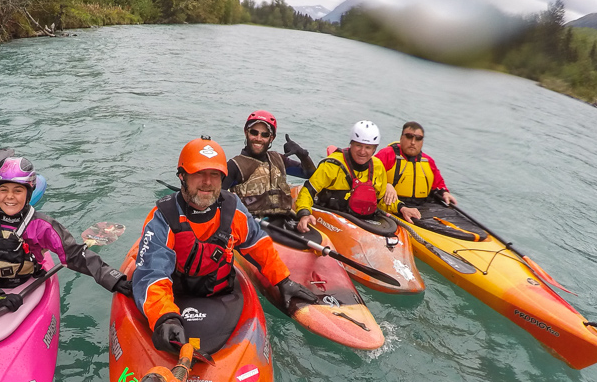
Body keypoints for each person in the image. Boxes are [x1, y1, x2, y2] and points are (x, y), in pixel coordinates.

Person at [134, 137, 315, 353]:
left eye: (214, 174)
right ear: (182, 176)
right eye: (198, 173)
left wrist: (283, 280)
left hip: (222, 295)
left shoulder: (233, 208)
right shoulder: (164, 217)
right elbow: (152, 275)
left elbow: (257, 244)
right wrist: (165, 317)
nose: (207, 182)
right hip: (176, 297)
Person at [0, 157, 132, 311]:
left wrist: (113, 279)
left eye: (18, 191)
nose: (10, 197)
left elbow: (74, 255)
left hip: (25, 283)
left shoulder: (42, 226)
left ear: (28, 193)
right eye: (3, 190)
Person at [293, 121, 415, 232]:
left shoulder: (377, 167)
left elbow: (381, 200)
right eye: (358, 145)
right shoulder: (332, 165)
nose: (362, 151)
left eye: (368, 147)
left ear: (374, 149)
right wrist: (304, 213)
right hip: (332, 218)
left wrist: (401, 208)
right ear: (351, 144)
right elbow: (308, 191)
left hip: (361, 221)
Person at [222, 110, 317, 217]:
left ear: (271, 138)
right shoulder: (234, 166)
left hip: (284, 220)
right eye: (254, 132)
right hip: (253, 224)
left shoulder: (279, 159)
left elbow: (310, 174)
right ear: (246, 132)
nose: (258, 138)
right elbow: (218, 196)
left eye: (265, 135)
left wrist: (303, 155)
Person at [376, 122, 457, 221]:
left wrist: (445, 193)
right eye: (409, 137)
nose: (413, 142)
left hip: (422, 206)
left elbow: (439, 184)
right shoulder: (386, 154)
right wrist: (386, 185)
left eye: (418, 139)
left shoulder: (428, 161)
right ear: (401, 138)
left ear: (422, 142)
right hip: (392, 205)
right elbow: (371, 175)